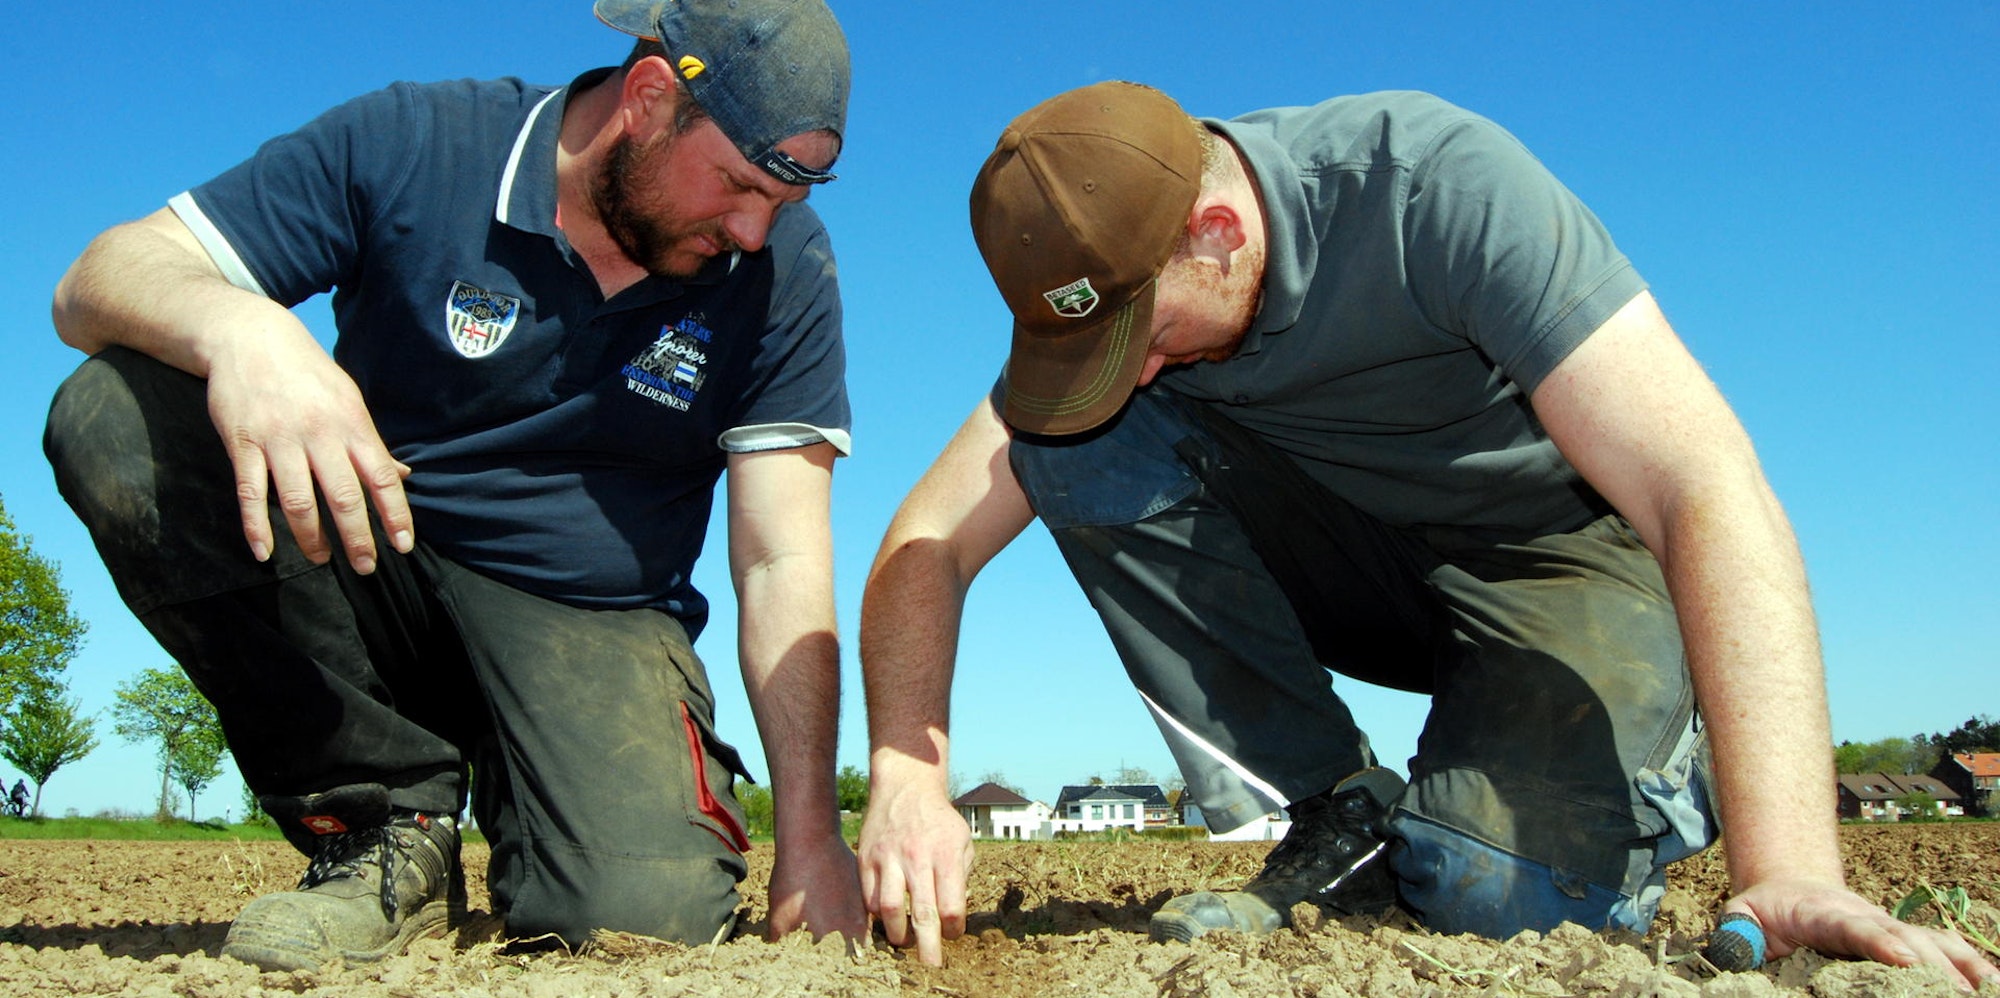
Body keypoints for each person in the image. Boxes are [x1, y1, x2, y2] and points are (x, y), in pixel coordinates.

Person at [855, 81, 2000, 989]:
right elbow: (925, 542)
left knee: (1490, 889)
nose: (1131, 364)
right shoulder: (1127, 299)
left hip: (1551, 563)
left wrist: (1791, 863)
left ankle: (1664, 744)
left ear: (1212, 231)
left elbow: (1701, 482)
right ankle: (1335, 810)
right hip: (1358, 566)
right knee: (1073, 438)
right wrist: (907, 775)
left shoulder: (1434, 190)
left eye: (1137, 333)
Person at [44, 0, 864, 972]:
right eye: (736, 184)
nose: (752, 230)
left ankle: (548, 802)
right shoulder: (417, 141)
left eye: (783, 198)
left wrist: (809, 832)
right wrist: (241, 329)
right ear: (647, 97)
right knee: (115, 418)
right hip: (370, 553)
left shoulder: (784, 271)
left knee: (639, 912)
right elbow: (94, 279)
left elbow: (779, 556)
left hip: (588, 621)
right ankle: (385, 818)